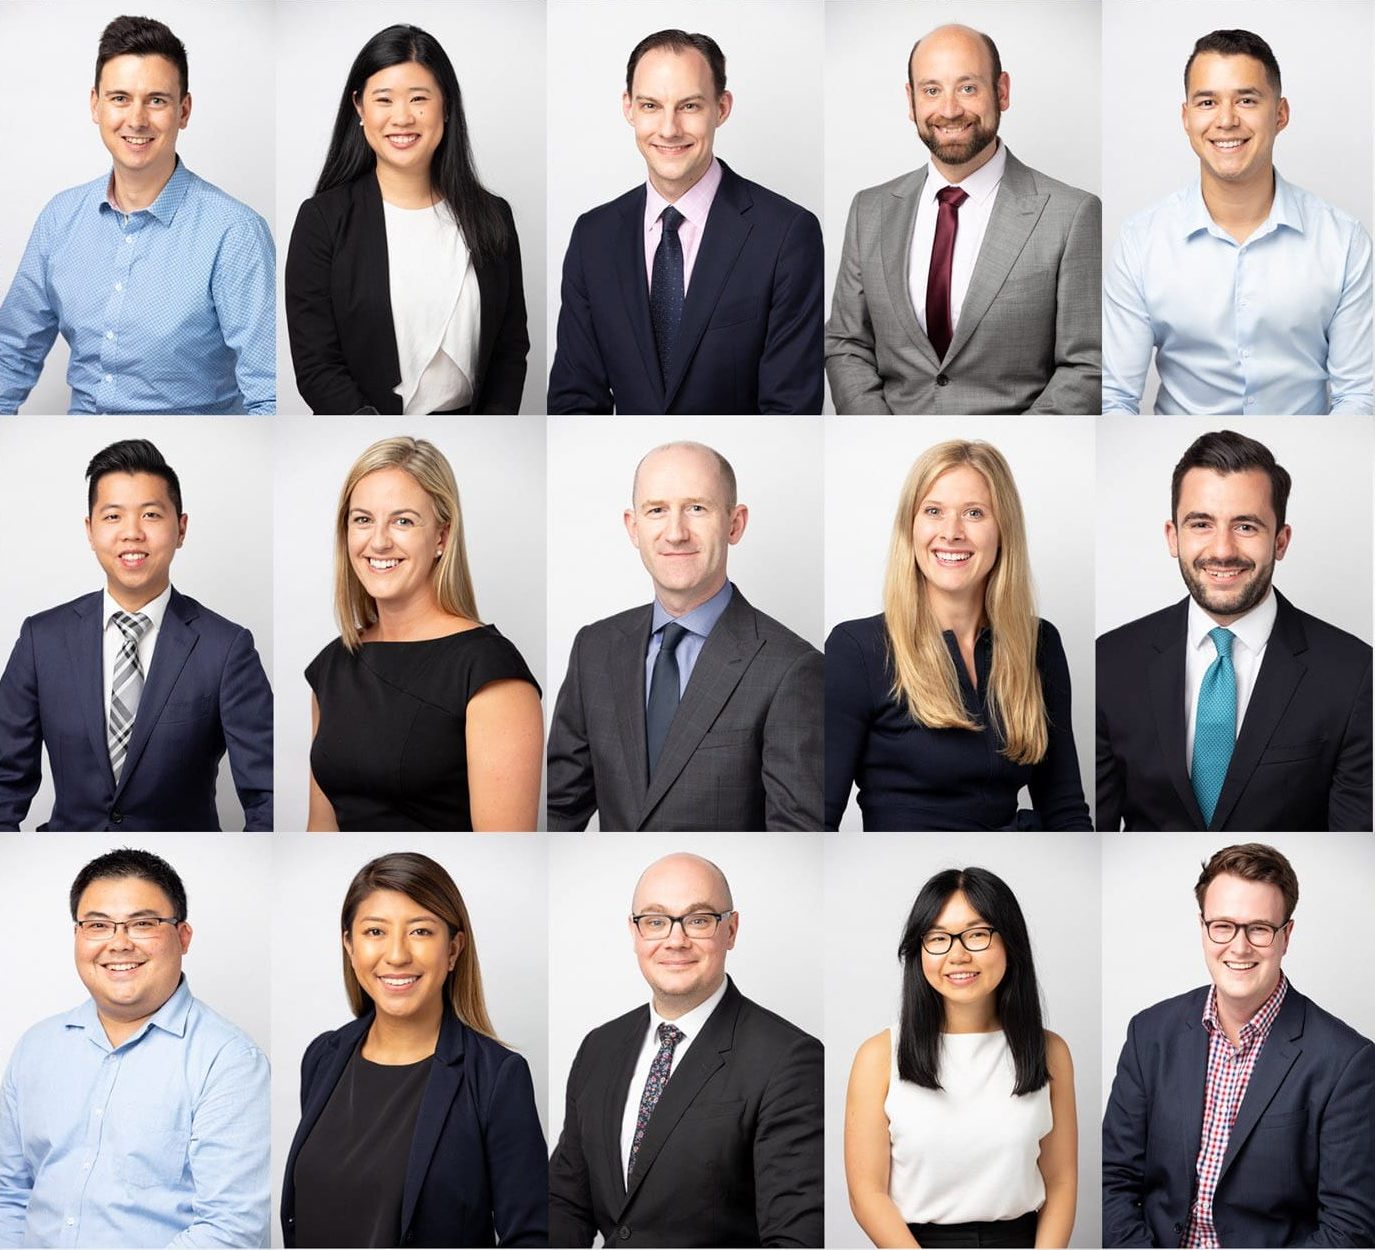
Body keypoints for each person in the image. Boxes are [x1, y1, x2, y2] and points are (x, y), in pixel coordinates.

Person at [1097, 430, 1372, 831]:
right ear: (1173, 536)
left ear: (1281, 540)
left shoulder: (1353, 671)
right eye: (1202, 524)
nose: (1223, 550)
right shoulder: (1111, 660)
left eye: (1246, 527)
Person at [1102, 843, 1375, 1246]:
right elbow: (1113, 1180)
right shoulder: (1149, 1034)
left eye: (1259, 928)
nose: (1240, 947)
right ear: (1203, 927)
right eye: (1223, 925)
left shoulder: (1347, 1062)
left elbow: (1349, 1228)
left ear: (1287, 936)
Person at [0, 16, 274, 415]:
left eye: (157, 100)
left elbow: (267, 395)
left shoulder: (235, 233)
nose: (138, 119)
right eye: (120, 98)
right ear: (95, 105)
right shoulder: (60, 218)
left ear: (184, 110)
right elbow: (10, 354)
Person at [548, 852, 823, 1247]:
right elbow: (566, 1202)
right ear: (635, 932)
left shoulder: (790, 1059)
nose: (676, 940)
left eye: (698, 920)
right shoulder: (599, 1046)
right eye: (656, 921)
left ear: (731, 930)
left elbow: (795, 1239)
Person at [826, 24, 1101, 416]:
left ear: (1001, 91)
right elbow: (845, 343)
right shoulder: (869, 210)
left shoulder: (1071, 215)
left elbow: (1086, 366)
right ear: (911, 100)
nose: (950, 110)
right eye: (932, 90)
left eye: (968, 88)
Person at [546, 441, 822, 831]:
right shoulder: (594, 648)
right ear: (633, 527)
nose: (675, 533)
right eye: (657, 510)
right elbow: (556, 809)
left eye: (696, 508)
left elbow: (798, 835)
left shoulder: (791, 668)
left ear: (735, 523)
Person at [0, 848, 269, 1247]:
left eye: (142, 923)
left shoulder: (229, 1062)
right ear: (77, 935)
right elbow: (10, 1195)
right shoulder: (36, 1047)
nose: (119, 943)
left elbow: (232, 1230)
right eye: (98, 925)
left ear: (183, 936)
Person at [0, 439, 273, 831]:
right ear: (90, 531)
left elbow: (268, 792)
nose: (132, 533)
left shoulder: (227, 648)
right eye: (112, 517)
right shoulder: (40, 640)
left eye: (150, 515)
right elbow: (4, 782)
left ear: (181, 528)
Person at [546, 29, 823, 414]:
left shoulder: (787, 235)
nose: (669, 129)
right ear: (628, 107)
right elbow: (573, 401)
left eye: (689, 106)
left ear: (721, 108)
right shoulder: (593, 237)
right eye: (650, 106)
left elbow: (791, 409)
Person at [281, 852, 547, 1247]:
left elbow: (530, 1236)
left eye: (420, 931)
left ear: (453, 949)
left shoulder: (496, 1077)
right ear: (349, 946)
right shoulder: (322, 1057)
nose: (397, 955)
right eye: (375, 932)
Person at [1102, 29, 1373, 415]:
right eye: (1207, 101)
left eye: (1246, 100)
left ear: (1280, 114)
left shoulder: (1343, 241)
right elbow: (1115, 398)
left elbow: (1358, 396)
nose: (1226, 120)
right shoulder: (1140, 242)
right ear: (1186, 117)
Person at [826, 440, 1090, 831]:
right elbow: (817, 819)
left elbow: (1065, 809)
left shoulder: (1039, 643)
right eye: (933, 511)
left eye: (974, 513)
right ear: (910, 527)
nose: (951, 533)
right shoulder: (857, 650)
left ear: (1003, 530)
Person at [285, 24, 528, 415]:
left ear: (445, 106)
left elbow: (510, 350)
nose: (402, 117)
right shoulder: (322, 221)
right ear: (360, 108)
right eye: (384, 99)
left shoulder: (492, 216)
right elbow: (317, 365)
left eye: (418, 98)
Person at [306, 437, 541, 830]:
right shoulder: (332, 665)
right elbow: (320, 831)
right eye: (363, 519)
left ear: (442, 538)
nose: (378, 541)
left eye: (403, 521)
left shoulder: (489, 670)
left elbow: (503, 843)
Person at [846, 867, 1076, 1248]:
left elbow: (1062, 1182)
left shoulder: (1050, 1052)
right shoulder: (878, 1056)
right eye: (938, 938)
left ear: (1010, 942)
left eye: (977, 934)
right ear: (919, 950)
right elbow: (867, 1193)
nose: (957, 954)